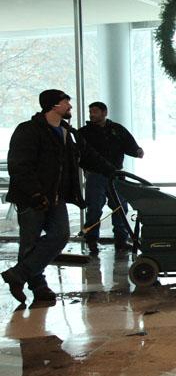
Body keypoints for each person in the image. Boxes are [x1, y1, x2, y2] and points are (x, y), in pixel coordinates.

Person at [1, 90, 115, 304]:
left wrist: (112, 171)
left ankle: (19, 274)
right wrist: (35, 193)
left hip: (56, 197)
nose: (69, 107)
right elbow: (20, 165)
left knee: (60, 235)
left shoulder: (67, 132)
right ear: (54, 106)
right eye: (66, 103)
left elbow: (88, 156)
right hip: (32, 197)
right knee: (30, 243)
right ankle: (39, 285)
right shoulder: (29, 130)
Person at [77, 101, 144, 254]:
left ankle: (121, 240)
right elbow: (80, 154)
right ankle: (92, 240)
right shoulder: (84, 132)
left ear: (104, 113)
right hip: (95, 175)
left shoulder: (117, 130)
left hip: (116, 175)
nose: (92, 114)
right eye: (90, 112)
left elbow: (130, 145)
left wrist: (137, 151)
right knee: (94, 208)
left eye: (95, 111)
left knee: (120, 208)